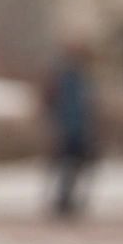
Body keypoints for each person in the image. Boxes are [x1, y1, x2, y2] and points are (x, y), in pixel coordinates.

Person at [43, 40, 96, 220]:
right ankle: (62, 200)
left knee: (74, 166)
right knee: (66, 166)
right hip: (67, 127)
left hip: (77, 127)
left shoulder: (82, 77)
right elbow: (52, 102)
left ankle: (66, 199)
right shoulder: (65, 77)